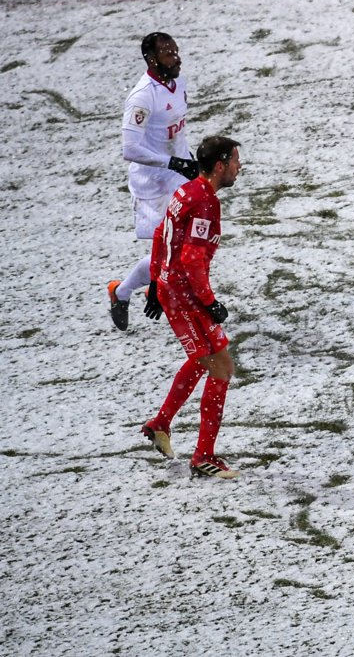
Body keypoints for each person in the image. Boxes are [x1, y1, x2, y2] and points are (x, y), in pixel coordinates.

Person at [139, 136, 242, 480]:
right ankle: (203, 457)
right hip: (187, 295)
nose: (239, 168)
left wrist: (155, 281)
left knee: (202, 359)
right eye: (235, 162)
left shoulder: (186, 191)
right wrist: (210, 302)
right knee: (222, 367)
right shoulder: (206, 202)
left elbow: (160, 234)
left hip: (172, 289)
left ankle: (161, 423)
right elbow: (193, 258)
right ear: (220, 166)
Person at [106, 32, 199, 331]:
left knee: (185, 246)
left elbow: (174, 133)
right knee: (170, 251)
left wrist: (188, 160)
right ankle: (123, 292)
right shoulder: (142, 96)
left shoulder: (178, 84)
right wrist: (173, 162)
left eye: (176, 50)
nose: (176, 57)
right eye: (168, 53)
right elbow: (130, 149)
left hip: (179, 175)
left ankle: (151, 288)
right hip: (154, 185)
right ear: (151, 59)